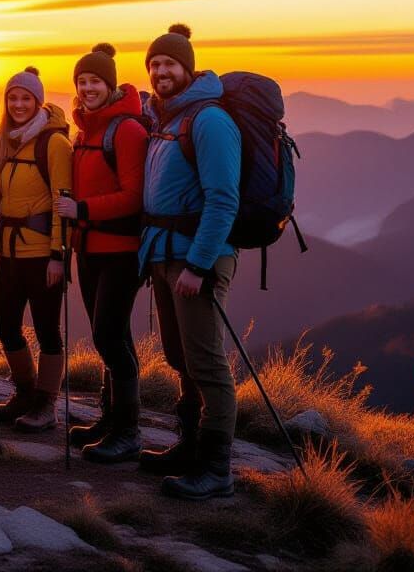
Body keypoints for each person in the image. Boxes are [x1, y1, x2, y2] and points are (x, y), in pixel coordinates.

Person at [137, 24, 241, 500]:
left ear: (188, 68)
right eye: (154, 64)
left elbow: (223, 199)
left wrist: (198, 266)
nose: (160, 71)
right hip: (165, 255)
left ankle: (216, 470)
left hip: (196, 260)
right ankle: (190, 446)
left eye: (169, 64)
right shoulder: (167, 118)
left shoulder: (209, 120)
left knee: (206, 363)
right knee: (180, 357)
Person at [55, 44, 148, 462]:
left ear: (110, 85)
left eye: (95, 81)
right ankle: (112, 419)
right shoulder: (87, 129)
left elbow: (134, 195)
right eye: (82, 81)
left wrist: (82, 210)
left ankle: (128, 432)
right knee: (113, 334)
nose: (87, 88)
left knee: (108, 335)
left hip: (121, 251)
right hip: (89, 249)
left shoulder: (126, 131)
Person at [0, 66, 73, 432]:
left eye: (26, 98)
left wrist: (58, 256)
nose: (18, 104)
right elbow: (3, 190)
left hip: (42, 255)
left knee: (47, 330)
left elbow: (62, 201)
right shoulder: (6, 140)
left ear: (38, 102)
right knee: (6, 325)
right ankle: (25, 393)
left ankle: (46, 404)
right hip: (8, 253)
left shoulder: (54, 144)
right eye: (13, 98)